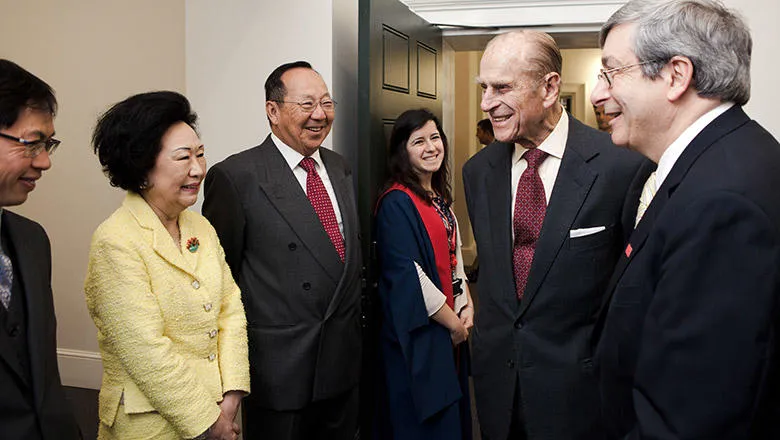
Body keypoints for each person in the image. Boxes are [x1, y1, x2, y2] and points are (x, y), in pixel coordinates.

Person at [591, 1, 780, 438]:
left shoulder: (723, 203)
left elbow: (690, 418)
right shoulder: (714, 161)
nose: (599, 95)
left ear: (676, 75)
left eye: (612, 72)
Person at [462, 30, 650, 440]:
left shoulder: (621, 167)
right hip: (497, 395)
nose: (486, 103)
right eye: (484, 88)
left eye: (502, 88)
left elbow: (635, 296)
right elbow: (498, 287)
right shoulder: (477, 173)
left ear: (549, 88)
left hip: (581, 395)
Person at [203, 61, 362, 440]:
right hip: (281, 367)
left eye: (327, 103)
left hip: (341, 360)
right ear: (272, 111)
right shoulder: (237, 176)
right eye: (306, 105)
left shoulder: (339, 167)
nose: (320, 115)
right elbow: (222, 281)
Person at [84, 91, 249, 440]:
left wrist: (231, 398)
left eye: (200, 154)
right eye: (183, 157)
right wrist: (209, 423)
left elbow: (229, 310)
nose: (198, 169)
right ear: (142, 167)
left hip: (221, 410)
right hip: (152, 423)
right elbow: (145, 350)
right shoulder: (116, 240)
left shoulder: (199, 226)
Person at [374, 109, 474, 439]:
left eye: (435, 138)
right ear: (403, 151)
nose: (431, 147)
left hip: (447, 331)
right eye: (419, 141)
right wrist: (453, 324)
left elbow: (454, 257)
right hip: (421, 336)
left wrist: (467, 303)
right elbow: (409, 277)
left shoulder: (437, 198)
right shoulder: (396, 203)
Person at [0, 59, 81, 440]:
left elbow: (44, 378)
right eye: (32, 143)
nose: (45, 161)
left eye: (48, 145)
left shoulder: (32, 241)